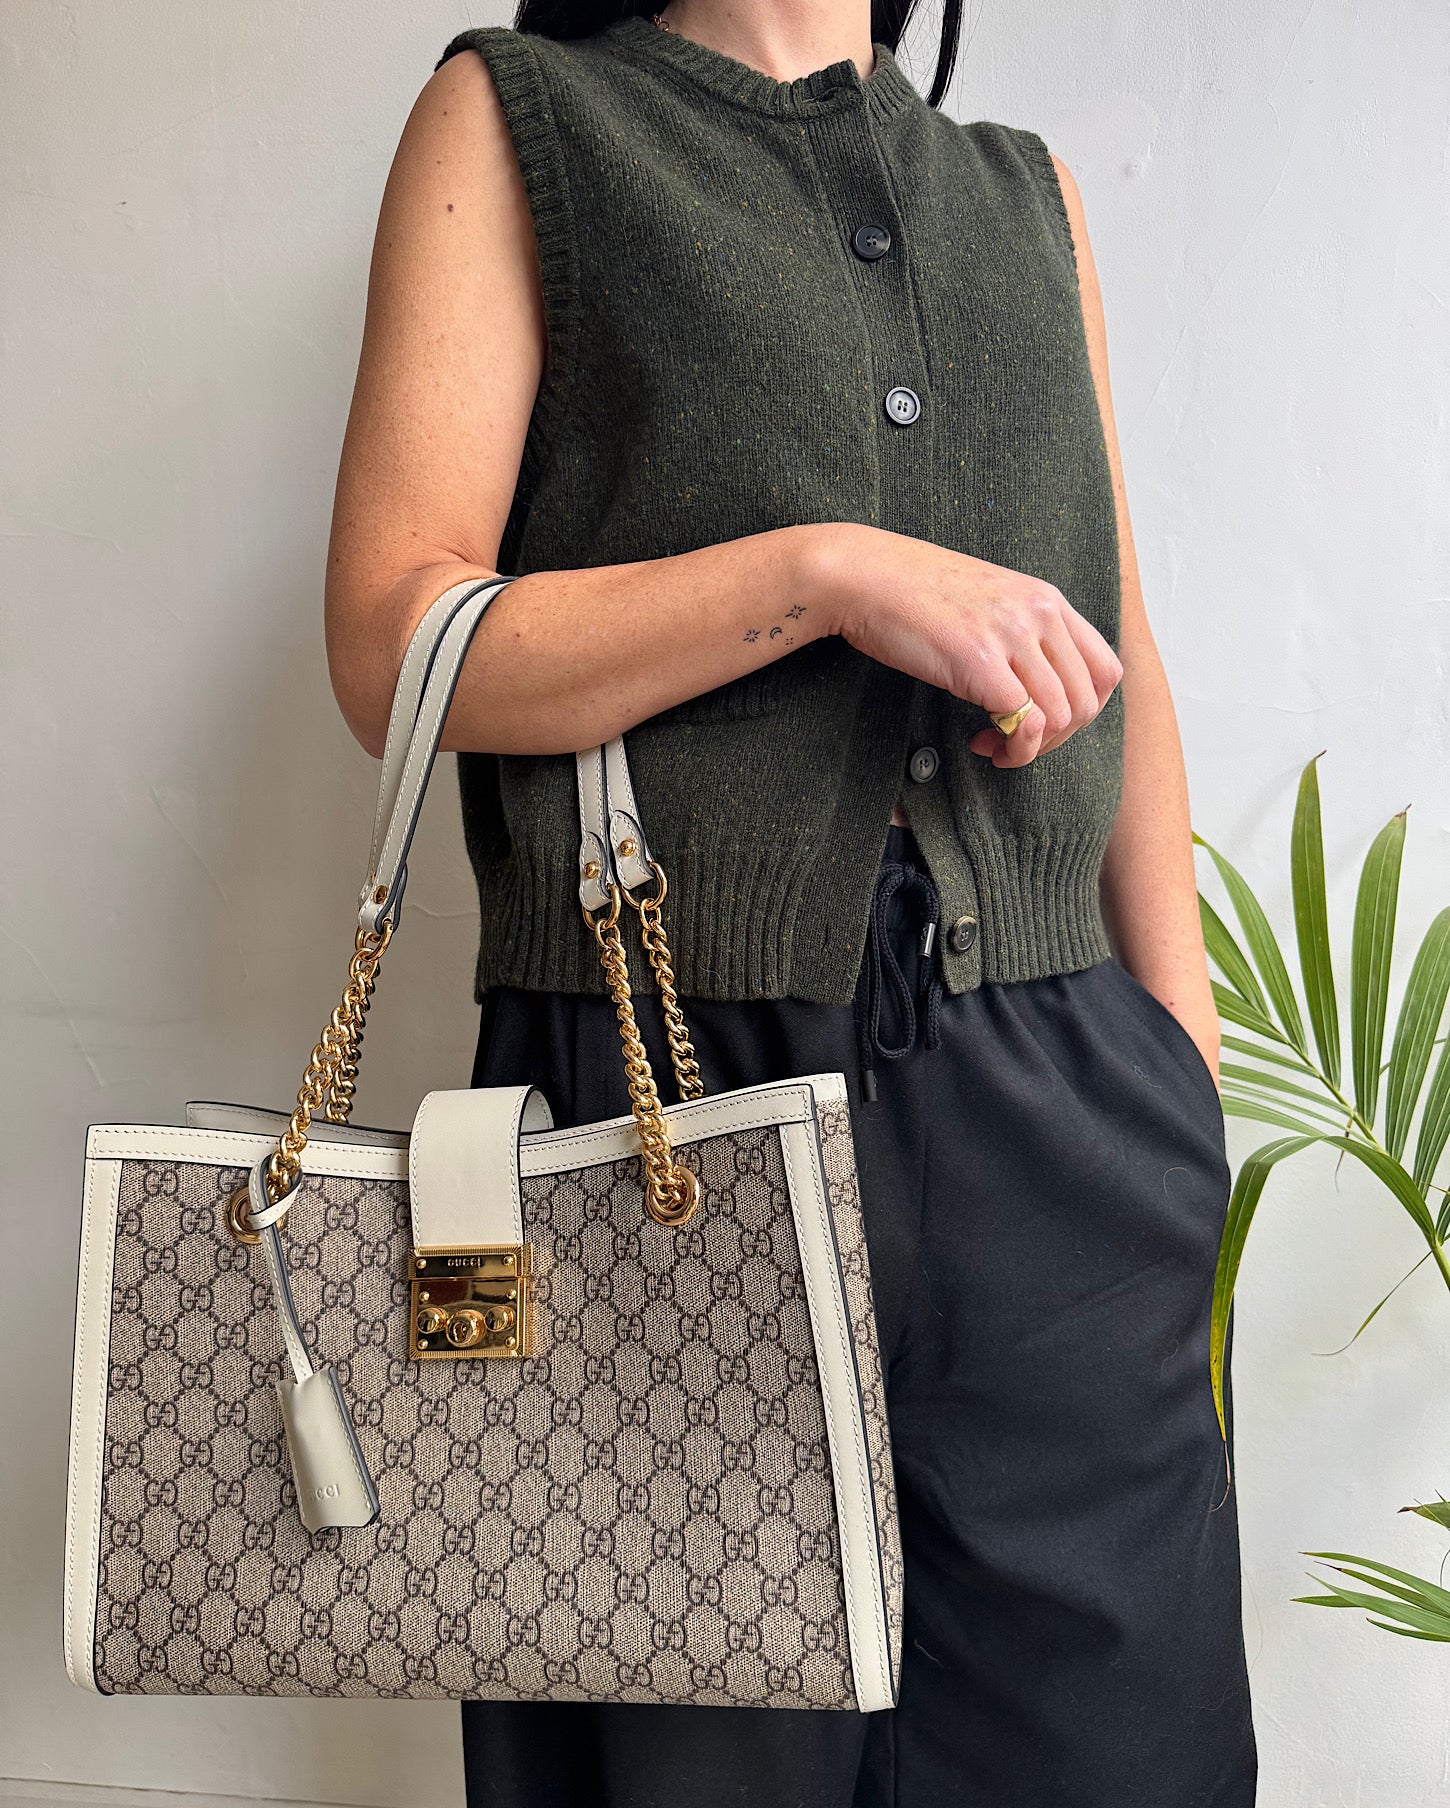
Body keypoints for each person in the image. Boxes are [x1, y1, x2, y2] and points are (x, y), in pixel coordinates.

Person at [323, 2, 1257, 1802]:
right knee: (681, 1767)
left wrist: (1181, 1078)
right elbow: (394, 645)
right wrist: (823, 574)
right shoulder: (522, 122)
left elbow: (1118, 639)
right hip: (658, 1104)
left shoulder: (1026, 195)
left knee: (1122, 1756)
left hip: (1064, 1115)